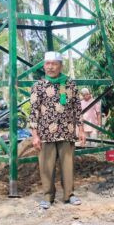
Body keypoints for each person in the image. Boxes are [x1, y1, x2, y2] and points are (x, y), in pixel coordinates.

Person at [29, 51, 84, 209]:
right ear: (44, 66)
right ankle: (48, 197)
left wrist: (80, 130)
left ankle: (69, 195)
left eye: (54, 64)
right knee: (46, 167)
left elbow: (76, 108)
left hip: (67, 132)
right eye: (48, 64)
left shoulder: (70, 84)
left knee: (68, 166)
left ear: (61, 66)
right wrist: (35, 136)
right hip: (45, 134)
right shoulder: (38, 86)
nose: (50, 67)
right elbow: (34, 112)